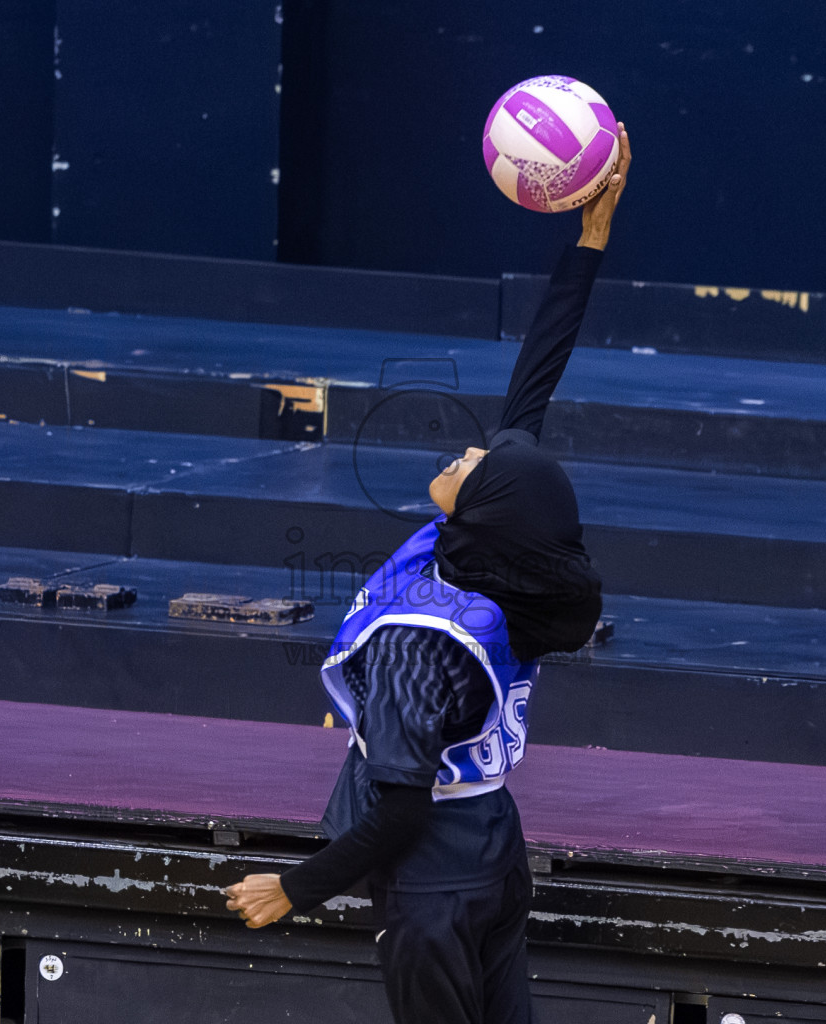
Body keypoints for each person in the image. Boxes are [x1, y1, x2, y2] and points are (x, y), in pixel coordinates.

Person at [227, 125, 632, 1023]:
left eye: (478, 466)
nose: (468, 449)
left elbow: (401, 812)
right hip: (494, 843)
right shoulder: (498, 569)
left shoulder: (423, 641)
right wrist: (590, 240)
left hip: (433, 879)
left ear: (482, 511)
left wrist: (296, 888)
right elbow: (533, 387)